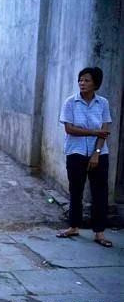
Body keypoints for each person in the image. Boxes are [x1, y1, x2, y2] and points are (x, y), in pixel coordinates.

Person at [57, 66, 113, 248]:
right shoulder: (70, 102)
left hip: (99, 153)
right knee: (76, 190)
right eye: (80, 79)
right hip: (76, 152)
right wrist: (94, 131)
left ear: (95, 83)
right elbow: (69, 129)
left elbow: (104, 131)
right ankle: (73, 226)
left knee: (100, 193)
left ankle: (99, 232)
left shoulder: (103, 103)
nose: (82, 83)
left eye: (87, 80)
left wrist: (96, 154)